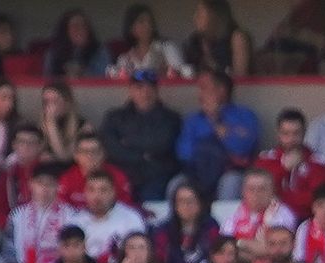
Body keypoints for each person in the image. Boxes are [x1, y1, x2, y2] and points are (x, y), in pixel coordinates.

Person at [99, 70, 183, 203]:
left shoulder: (171, 118)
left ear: (157, 91)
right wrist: (143, 155)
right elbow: (110, 147)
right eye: (139, 88)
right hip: (122, 174)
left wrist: (128, 143)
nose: (145, 93)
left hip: (157, 175)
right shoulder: (115, 117)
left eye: (150, 88)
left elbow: (161, 144)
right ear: (131, 90)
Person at [176, 71, 260, 200]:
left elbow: (244, 149)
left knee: (230, 182)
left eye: (204, 88)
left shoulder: (245, 115)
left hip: (230, 172)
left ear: (221, 90)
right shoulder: (194, 120)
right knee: (175, 184)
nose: (200, 93)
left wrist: (216, 121)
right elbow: (184, 153)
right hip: (198, 172)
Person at [43, 10, 111, 78]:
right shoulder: (54, 53)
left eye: (83, 26)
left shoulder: (99, 51)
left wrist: (83, 73)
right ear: (65, 31)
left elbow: (103, 76)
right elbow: (48, 80)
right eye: (75, 26)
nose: (80, 30)